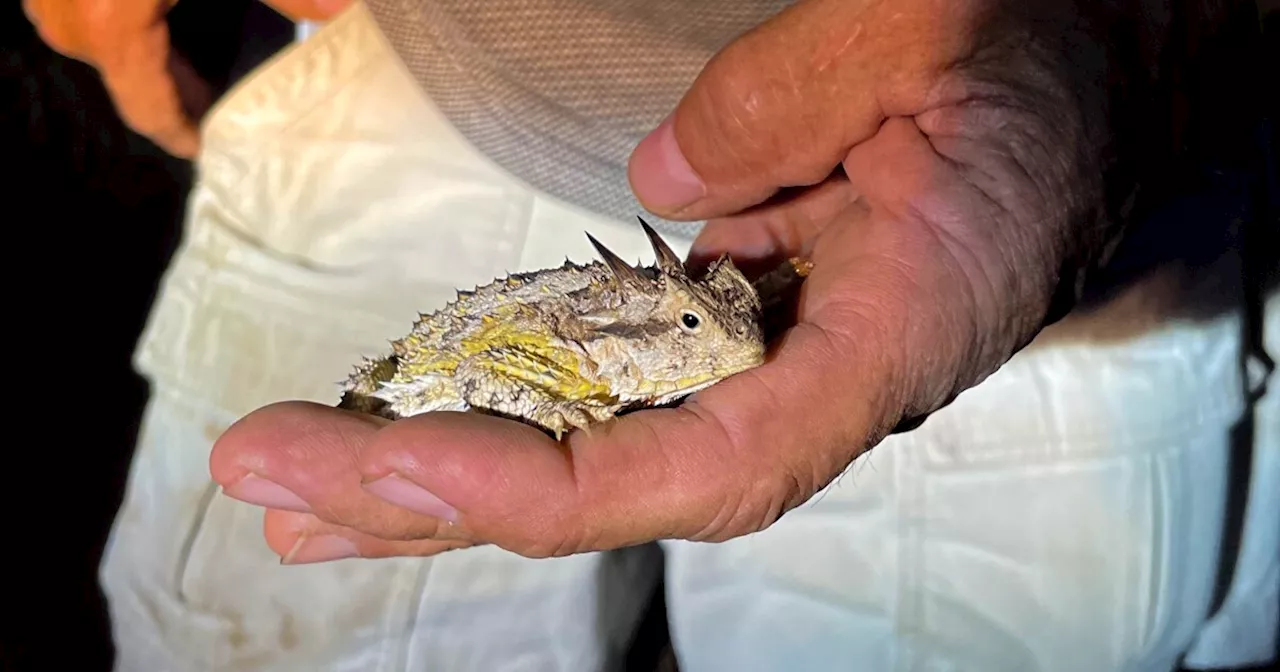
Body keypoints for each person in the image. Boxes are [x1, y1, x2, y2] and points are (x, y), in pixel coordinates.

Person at [28, 0, 1278, 669]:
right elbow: (497, 360)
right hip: (399, 75)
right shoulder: (587, 343)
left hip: (993, 166)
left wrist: (1134, 24)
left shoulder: (692, 319)